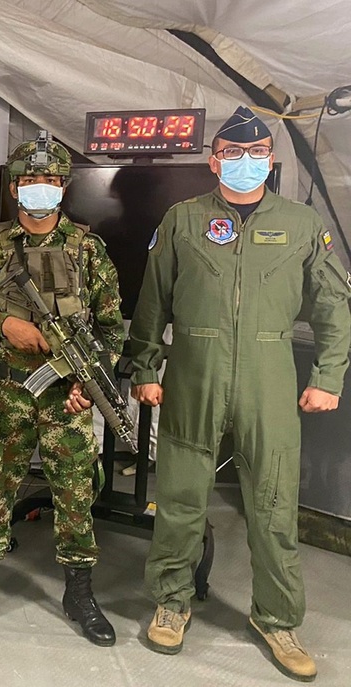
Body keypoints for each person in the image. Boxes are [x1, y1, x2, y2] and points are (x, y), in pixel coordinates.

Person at [130, 106, 351, 682]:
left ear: (270, 160)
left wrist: (328, 377)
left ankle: (278, 619)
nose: (244, 161)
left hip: (268, 374)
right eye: (232, 152)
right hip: (193, 373)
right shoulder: (182, 219)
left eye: (255, 153)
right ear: (214, 161)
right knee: (180, 498)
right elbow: (152, 302)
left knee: (274, 507)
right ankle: (171, 603)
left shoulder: (302, 224)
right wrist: (144, 367)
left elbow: (334, 305)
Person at [0, 131, 124, 646]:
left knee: (74, 493)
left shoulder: (88, 250)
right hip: (7, 391)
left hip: (66, 397)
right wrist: (3, 324)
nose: (39, 188)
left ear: (63, 186)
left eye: (49, 179)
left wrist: (89, 385)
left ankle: (79, 593)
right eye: (29, 180)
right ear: (14, 187)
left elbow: (111, 328)